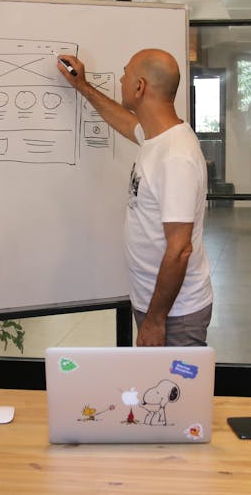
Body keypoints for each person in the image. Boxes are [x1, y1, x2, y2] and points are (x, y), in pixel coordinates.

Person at [57, 49, 213, 347]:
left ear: (140, 87)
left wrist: (155, 320)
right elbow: (125, 122)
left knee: (176, 393)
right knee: (157, 390)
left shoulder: (175, 156)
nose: (121, 80)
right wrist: (83, 86)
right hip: (156, 304)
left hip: (174, 314)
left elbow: (180, 249)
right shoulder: (158, 138)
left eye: (125, 74)